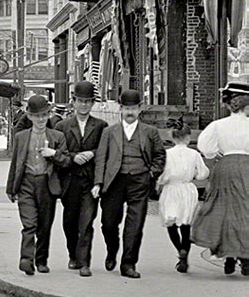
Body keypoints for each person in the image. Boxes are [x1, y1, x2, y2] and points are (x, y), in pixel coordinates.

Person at [92, 89, 166, 278]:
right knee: (108, 223)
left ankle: (128, 263)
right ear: (120, 109)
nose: (130, 112)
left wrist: (151, 174)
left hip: (139, 181)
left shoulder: (150, 132)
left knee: (135, 224)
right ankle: (112, 249)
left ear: (139, 109)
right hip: (114, 181)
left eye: (133, 108)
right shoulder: (109, 132)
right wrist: (98, 183)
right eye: (126, 108)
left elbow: (160, 155)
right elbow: (101, 158)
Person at [6, 95, 70, 276]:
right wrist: (11, 188)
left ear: (49, 115)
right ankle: (26, 259)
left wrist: (54, 154)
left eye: (44, 115)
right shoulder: (21, 137)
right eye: (37, 115)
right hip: (26, 183)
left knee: (44, 225)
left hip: (46, 184)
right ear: (29, 116)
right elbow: (15, 164)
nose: (41, 119)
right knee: (29, 224)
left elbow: (66, 161)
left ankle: (41, 260)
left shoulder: (58, 136)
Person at [191, 81, 249, 276]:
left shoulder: (218, 125)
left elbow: (205, 147)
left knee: (223, 209)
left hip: (224, 167)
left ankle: (228, 255)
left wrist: (218, 153)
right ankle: (244, 255)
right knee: (244, 210)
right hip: (246, 168)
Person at [55, 81, 107, 276]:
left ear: (93, 103)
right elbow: (58, 153)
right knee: (70, 221)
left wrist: (92, 153)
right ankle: (73, 255)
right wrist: (73, 157)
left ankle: (84, 262)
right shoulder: (62, 126)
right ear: (73, 102)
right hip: (69, 181)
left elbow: (104, 150)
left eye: (88, 101)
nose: (84, 105)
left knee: (86, 222)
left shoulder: (101, 126)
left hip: (90, 182)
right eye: (80, 101)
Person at [157, 118, 209, 273]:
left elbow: (162, 176)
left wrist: (161, 182)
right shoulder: (194, 154)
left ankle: (179, 249)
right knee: (186, 223)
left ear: (172, 137)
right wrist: (193, 175)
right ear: (188, 138)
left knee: (171, 222)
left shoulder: (167, 154)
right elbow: (203, 173)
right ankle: (185, 253)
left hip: (171, 189)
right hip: (187, 190)